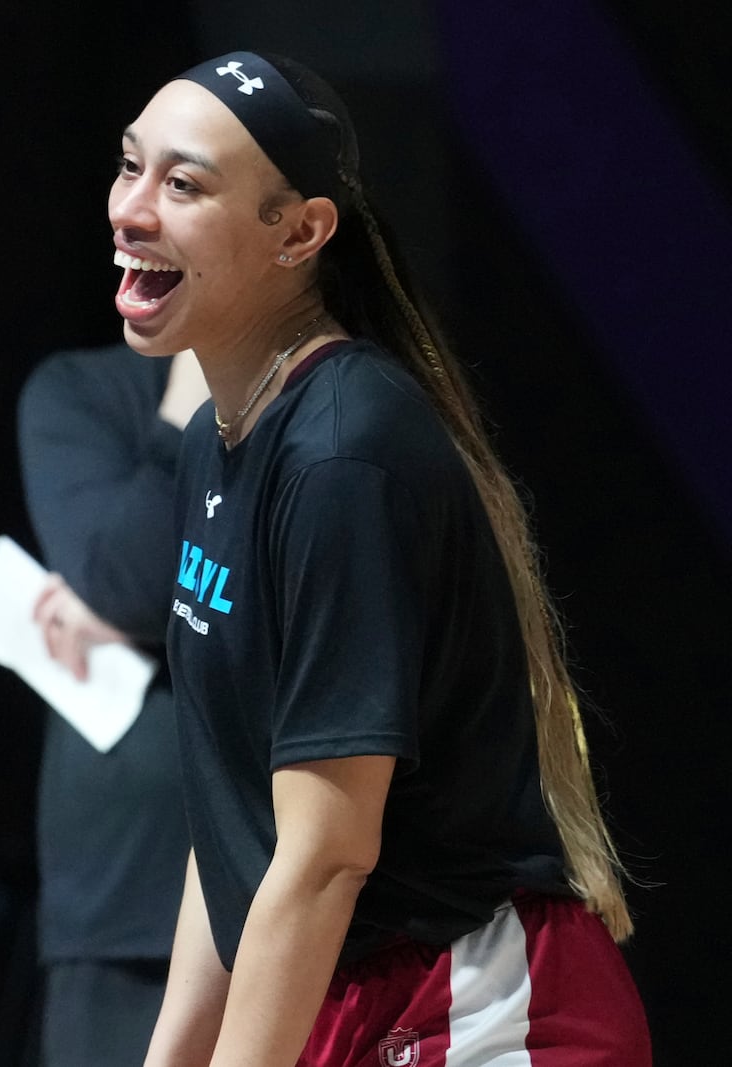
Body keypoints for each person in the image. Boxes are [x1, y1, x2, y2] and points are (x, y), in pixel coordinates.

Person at [99, 52, 651, 1065]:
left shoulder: (341, 452)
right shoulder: (214, 443)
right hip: (345, 1003)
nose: (131, 209)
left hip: (482, 1017)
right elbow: (235, 824)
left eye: (182, 184)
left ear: (300, 232)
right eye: (129, 167)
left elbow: (323, 855)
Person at [15, 341, 206, 1065]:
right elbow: (128, 577)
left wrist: (113, 618)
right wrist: (190, 400)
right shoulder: (79, 392)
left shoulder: (329, 397)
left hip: (293, 888)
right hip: (125, 906)